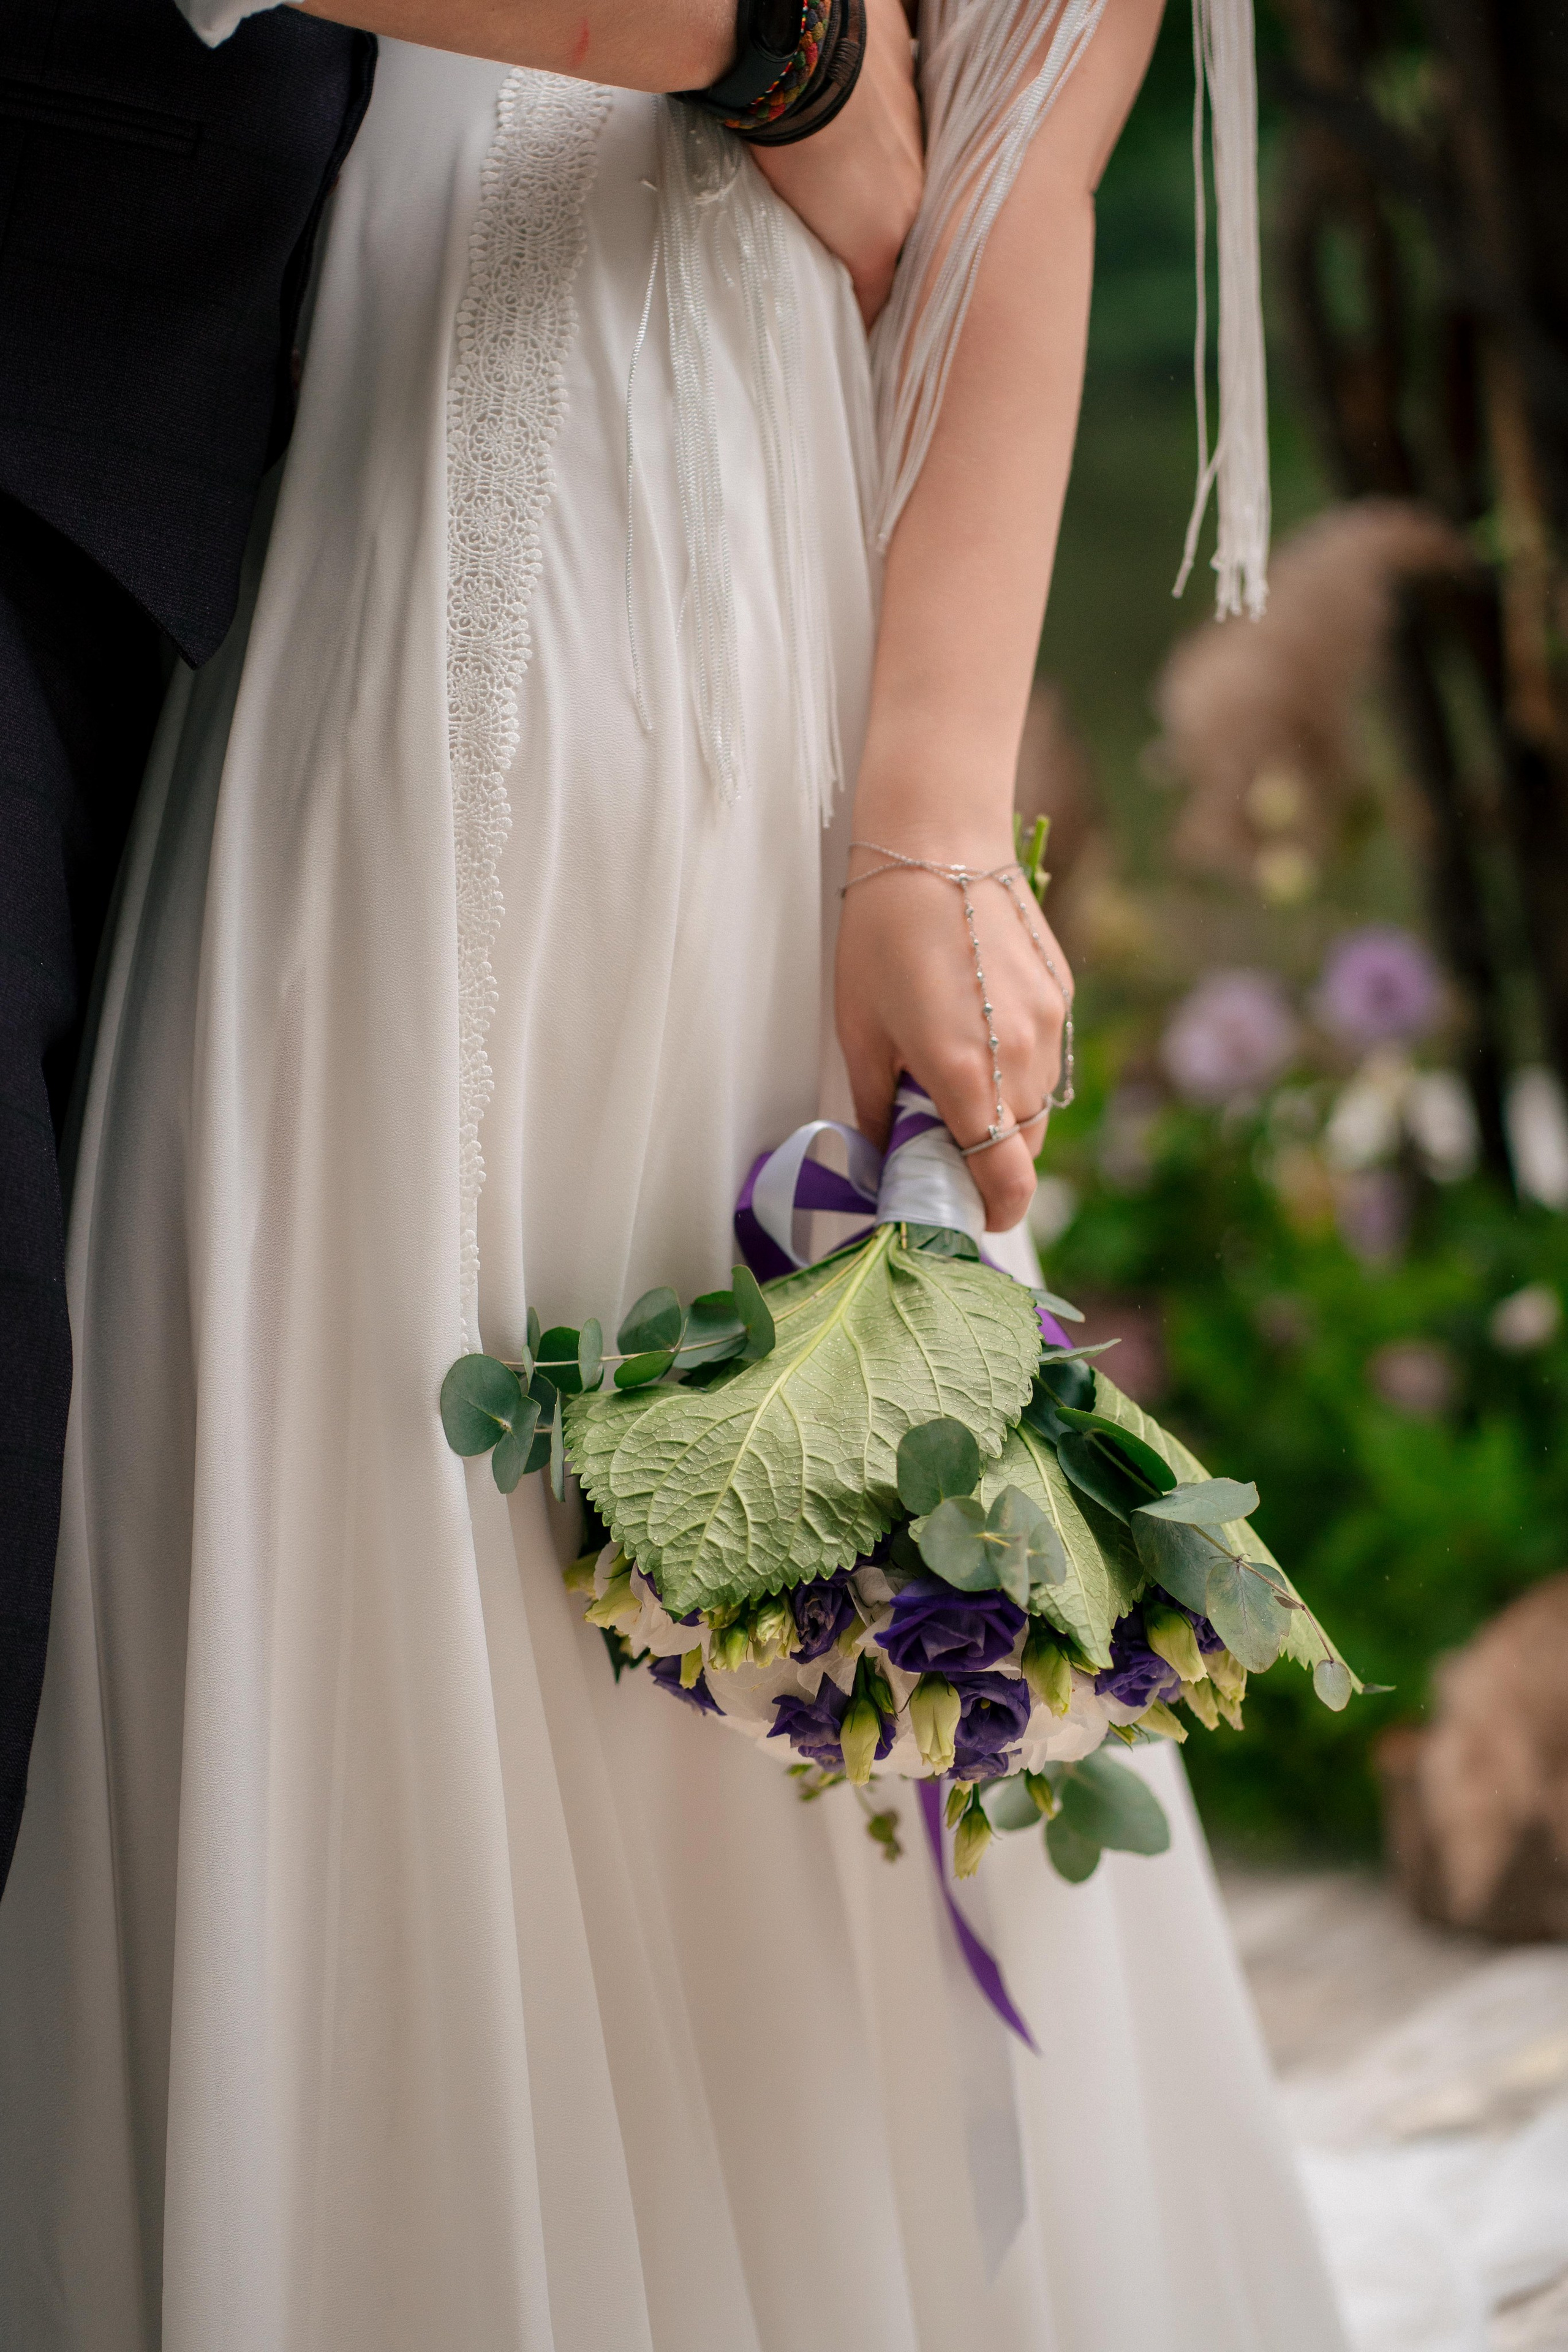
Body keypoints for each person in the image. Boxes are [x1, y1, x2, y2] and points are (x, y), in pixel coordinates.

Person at [0, 2, 1348, 2346]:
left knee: (711, 1402)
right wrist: (795, 46)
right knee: (333, 1379)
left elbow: (1029, 125)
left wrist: (929, 824)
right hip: (356, 428)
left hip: (720, 522)